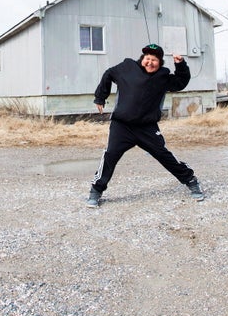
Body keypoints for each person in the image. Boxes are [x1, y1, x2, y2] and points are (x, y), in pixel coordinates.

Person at [86, 44, 204, 208]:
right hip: (122, 125)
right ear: (142, 59)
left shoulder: (163, 76)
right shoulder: (127, 67)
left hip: (147, 127)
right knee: (110, 155)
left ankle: (190, 180)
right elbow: (109, 74)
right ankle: (96, 191)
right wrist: (100, 97)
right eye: (148, 58)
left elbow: (181, 82)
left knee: (163, 155)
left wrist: (180, 64)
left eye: (154, 60)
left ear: (160, 62)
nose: (150, 62)